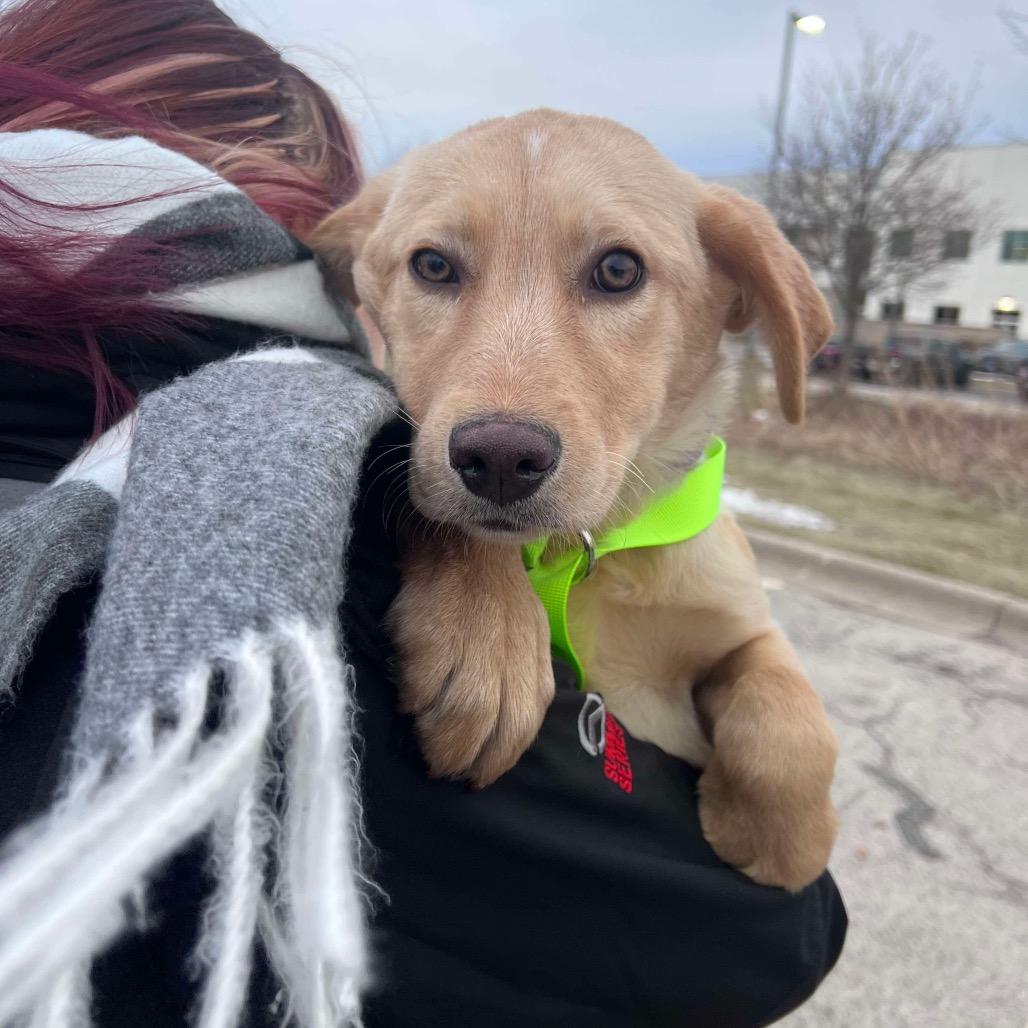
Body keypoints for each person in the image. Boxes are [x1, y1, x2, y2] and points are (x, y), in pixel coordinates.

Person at [0, 1, 847, 1026]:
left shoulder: (691, 532)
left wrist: (774, 721)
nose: (506, 409)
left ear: (730, 298)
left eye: (613, 273)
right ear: (337, 264)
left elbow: (743, 655)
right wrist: (442, 540)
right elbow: (773, 938)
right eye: (438, 268)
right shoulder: (273, 482)